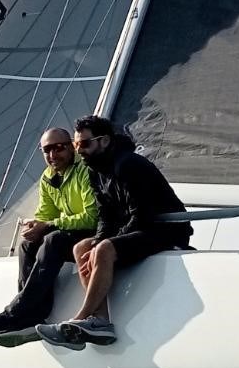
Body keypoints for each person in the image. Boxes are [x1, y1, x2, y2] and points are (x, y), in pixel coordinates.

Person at [32, 114, 193, 348]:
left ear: (104, 141)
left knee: (104, 248)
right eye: (76, 144)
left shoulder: (128, 165)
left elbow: (141, 215)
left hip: (164, 230)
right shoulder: (95, 170)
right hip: (139, 227)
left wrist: (104, 245)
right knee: (82, 247)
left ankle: (81, 317)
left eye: (84, 144)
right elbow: (105, 215)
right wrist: (96, 241)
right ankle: (100, 321)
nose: (79, 150)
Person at [0, 126, 99, 345]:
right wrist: (36, 225)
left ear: (72, 147)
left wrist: (49, 225)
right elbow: (46, 214)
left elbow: (91, 218)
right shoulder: (48, 177)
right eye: (47, 150)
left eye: (59, 148)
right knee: (28, 244)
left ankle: (17, 310)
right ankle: (33, 316)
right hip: (73, 231)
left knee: (54, 240)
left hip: (98, 232)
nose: (53, 154)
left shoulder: (85, 170)